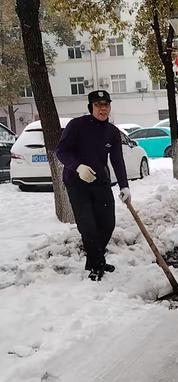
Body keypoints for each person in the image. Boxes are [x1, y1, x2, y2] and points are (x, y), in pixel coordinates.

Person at [56, 90, 130, 281]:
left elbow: (117, 160)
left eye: (106, 104)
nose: (102, 108)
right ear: (91, 108)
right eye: (98, 105)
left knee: (107, 224)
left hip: (100, 182)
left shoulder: (112, 132)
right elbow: (61, 151)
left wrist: (124, 186)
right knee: (88, 226)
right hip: (76, 182)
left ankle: (94, 259)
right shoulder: (76, 126)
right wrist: (78, 167)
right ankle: (97, 265)